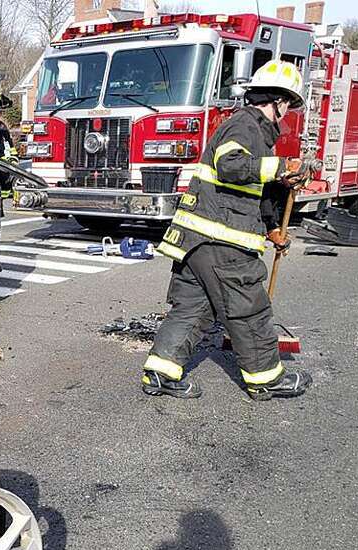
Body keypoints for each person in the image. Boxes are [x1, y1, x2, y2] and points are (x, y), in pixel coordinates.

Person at [142, 60, 313, 401]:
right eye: (288, 106)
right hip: (223, 242)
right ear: (277, 101)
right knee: (248, 308)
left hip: (197, 243)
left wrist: (270, 230)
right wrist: (280, 167)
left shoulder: (252, 132)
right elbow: (229, 166)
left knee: (193, 308)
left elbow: (249, 190)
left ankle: (160, 373)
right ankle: (265, 379)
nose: (287, 114)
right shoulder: (247, 125)